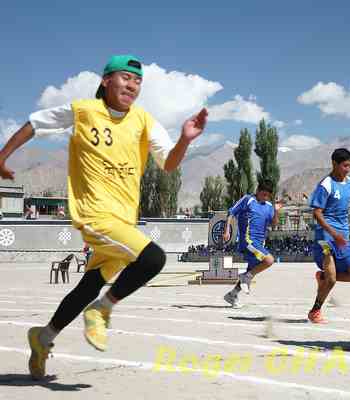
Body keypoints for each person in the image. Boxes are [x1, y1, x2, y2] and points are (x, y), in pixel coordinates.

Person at [0, 55, 208, 380]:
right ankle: (101, 310)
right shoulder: (83, 111)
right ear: (106, 80)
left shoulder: (143, 120)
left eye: (138, 81)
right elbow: (35, 123)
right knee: (153, 259)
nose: (132, 85)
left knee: (89, 285)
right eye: (126, 77)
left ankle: (43, 337)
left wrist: (184, 139)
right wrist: (2, 156)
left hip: (124, 221)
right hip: (94, 214)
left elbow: (168, 164)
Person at [308, 148, 350, 323]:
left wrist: (345, 232)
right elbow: (317, 213)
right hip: (325, 236)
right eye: (345, 166)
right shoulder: (326, 184)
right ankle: (315, 311)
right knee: (332, 279)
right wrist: (333, 232)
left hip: (343, 236)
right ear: (334, 164)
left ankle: (323, 277)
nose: (348, 169)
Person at [222, 180, 282, 308]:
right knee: (269, 260)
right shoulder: (248, 200)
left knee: (251, 271)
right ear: (257, 191)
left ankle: (232, 294)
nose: (265, 197)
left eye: (268, 196)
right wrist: (227, 230)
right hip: (248, 240)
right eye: (263, 194)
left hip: (260, 243)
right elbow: (231, 212)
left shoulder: (269, 206)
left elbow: (274, 224)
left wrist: (276, 211)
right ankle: (245, 278)